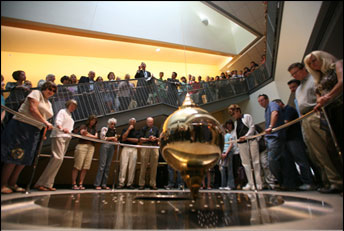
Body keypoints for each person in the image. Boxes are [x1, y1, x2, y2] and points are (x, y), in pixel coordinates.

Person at [288, 61, 342, 193]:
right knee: (316, 153)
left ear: (303, 69)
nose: (294, 76)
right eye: (292, 74)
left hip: (316, 114)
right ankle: (328, 181)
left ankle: (337, 181)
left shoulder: (314, 79)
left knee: (326, 148)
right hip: (305, 120)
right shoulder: (299, 89)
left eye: (295, 72)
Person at [1, 81, 56, 194]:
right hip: (21, 127)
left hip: (35, 131)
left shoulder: (48, 103)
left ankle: (12, 183)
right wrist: (45, 122)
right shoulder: (36, 93)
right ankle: (3, 184)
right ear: (44, 88)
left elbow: (45, 118)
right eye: (49, 89)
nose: (51, 92)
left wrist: (43, 130)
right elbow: (33, 109)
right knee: (13, 156)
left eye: (53, 91)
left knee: (24, 159)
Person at [303, 51, 343, 193]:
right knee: (333, 146)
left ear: (322, 58)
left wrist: (328, 96)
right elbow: (319, 96)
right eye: (310, 64)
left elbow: (342, 81)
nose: (314, 65)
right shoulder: (318, 79)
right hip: (329, 113)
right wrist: (321, 101)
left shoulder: (337, 65)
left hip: (340, 107)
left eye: (314, 61)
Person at [257, 94, 301, 190]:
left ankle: (285, 182)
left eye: (262, 100)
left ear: (267, 99)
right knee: (282, 161)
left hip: (276, 137)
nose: (261, 103)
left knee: (272, 161)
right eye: (259, 101)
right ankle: (287, 183)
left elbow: (275, 113)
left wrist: (271, 126)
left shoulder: (272, 104)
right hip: (272, 139)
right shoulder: (266, 110)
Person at [34, 99, 78, 191]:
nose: (73, 107)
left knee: (58, 160)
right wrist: (62, 128)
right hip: (59, 136)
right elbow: (58, 122)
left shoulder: (70, 115)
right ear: (68, 104)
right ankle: (41, 183)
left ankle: (48, 184)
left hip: (66, 138)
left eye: (74, 106)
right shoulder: (62, 111)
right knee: (57, 158)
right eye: (72, 105)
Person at [272, 99, 315, 190]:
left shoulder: (289, 110)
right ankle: (298, 182)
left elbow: (286, 123)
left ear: (280, 103)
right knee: (290, 162)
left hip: (294, 138)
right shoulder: (282, 112)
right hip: (286, 140)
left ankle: (309, 182)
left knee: (301, 160)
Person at [228, 104, 263, 191]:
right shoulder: (236, 122)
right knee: (246, 164)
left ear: (237, 111)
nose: (233, 116)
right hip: (242, 144)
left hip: (251, 141)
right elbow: (237, 134)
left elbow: (252, 128)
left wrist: (246, 136)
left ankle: (258, 183)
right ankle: (251, 183)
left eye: (233, 113)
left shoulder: (247, 116)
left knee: (255, 162)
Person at [71, 115, 98, 190]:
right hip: (82, 145)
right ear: (89, 120)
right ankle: (74, 184)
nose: (93, 122)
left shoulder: (94, 129)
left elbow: (96, 137)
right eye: (92, 120)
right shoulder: (83, 126)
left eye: (94, 121)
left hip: (91, 147)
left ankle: (80, 183)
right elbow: (83, 133)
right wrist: (92, 136)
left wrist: (88, 135)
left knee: (86, 167)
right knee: (77, 165)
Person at [94, 118, 118, 190]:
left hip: (112, 147)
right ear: (108, 124)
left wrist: (115, 141)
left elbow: (115, 138)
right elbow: (102, 137)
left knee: (108, 166)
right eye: (111, 124)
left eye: (114, 124)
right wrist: (112, 138)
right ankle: (97, 184)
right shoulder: (104, 128)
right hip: (105, 145)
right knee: (102, 165)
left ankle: (104, 184)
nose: (113, 125)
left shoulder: (114, 130)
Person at [138, 117, 160, 190]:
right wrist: (148, 139)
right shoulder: (143, 129)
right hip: (146, 145)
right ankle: (141, 184)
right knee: (143, 164)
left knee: (154, 166)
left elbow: (159, 138)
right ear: (146, 122)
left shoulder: (156, 129)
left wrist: (155, 139)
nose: (150, 123)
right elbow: (140, 139)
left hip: (154, 146)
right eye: (149, 122)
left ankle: (153, 184)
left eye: (151, 122)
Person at [117, 118, 139, 189]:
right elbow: (123, 138)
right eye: (131, 122)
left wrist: (127, 139)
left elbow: (136, 140)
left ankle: (130, 183)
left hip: (134, 148)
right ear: (129, 123)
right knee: (123, 165)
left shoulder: (137, 131)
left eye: (133, 122)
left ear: (135, 123)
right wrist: (129, 129)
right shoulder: (125, 130)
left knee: (132, 167)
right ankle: (121, 183)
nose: (132, 124)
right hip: (125, 148)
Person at [219, 120, 236, 190]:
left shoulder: (229, 135)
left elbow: (231, 144)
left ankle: (230, 185)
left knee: (229, 169)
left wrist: (226, 152)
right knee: (222, 169)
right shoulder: (222, 138)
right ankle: (223, 185)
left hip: (228, 153)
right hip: (223, 154)